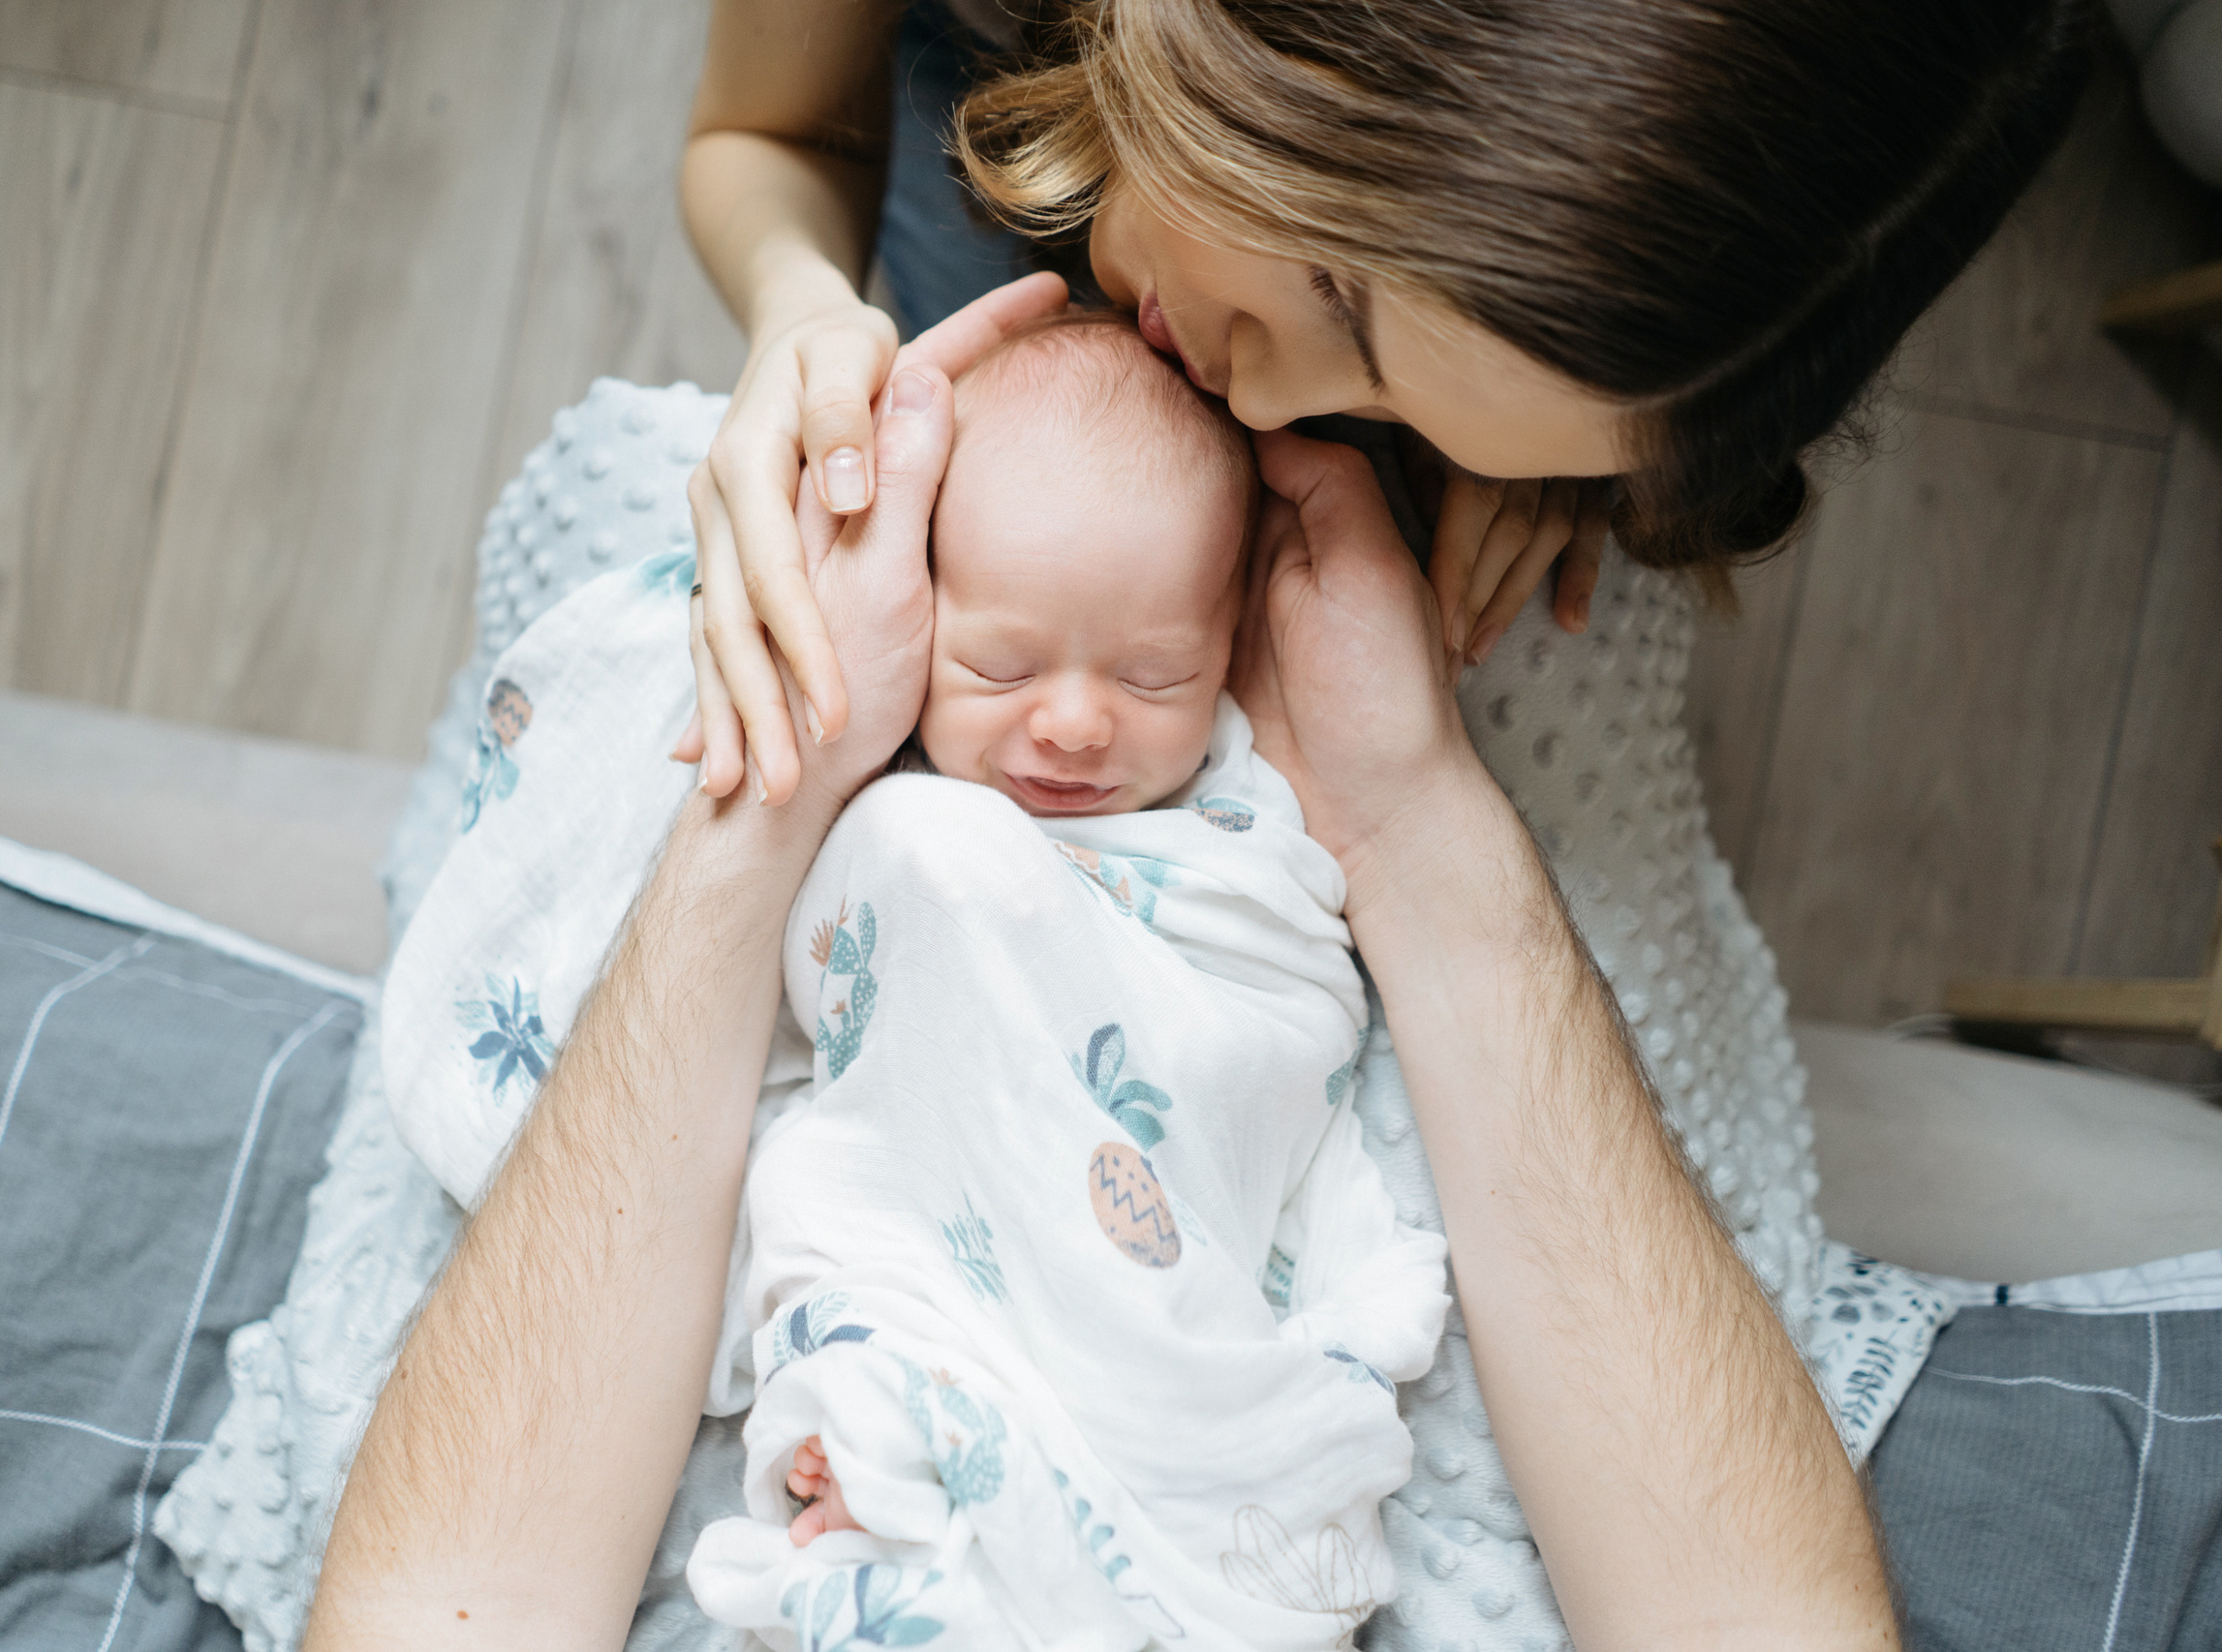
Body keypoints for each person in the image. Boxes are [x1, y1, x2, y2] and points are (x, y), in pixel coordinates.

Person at [307, 2, 2089, 1645]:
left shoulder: (1441, 351)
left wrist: (1507, 501)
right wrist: (810, 328)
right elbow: (765, 142)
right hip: (1013, 186)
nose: (1263, 406)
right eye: (1349, 314)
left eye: (1377, 401)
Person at [677, 311, 1450, 1646]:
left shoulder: (1232, 833)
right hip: (940, 1247)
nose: (1080, 722)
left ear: (1230, 649)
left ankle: (1012, 1469)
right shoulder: (907, 801)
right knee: (918, 857)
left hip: (1154, 1263)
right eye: (1001, 664)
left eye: (1159, 673)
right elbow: (836, 1061)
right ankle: (899, 1423)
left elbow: (1274, 1025)